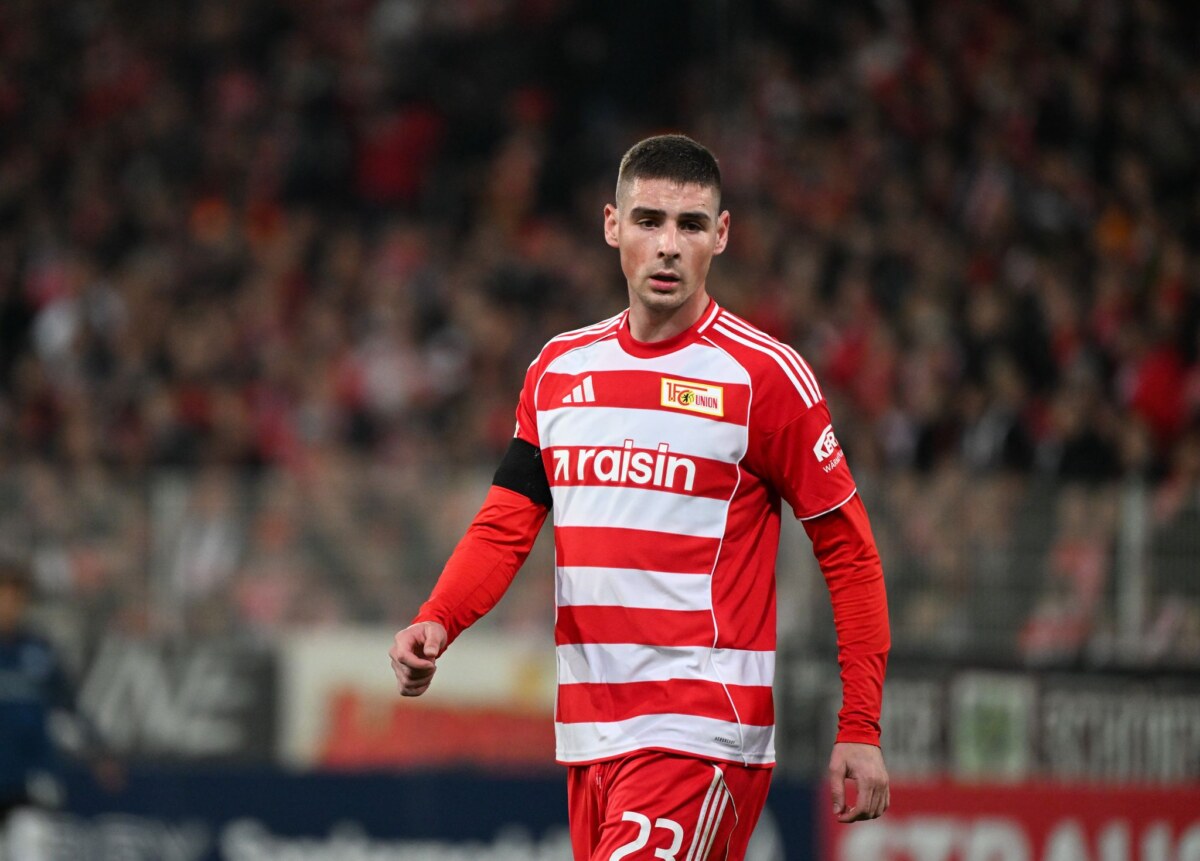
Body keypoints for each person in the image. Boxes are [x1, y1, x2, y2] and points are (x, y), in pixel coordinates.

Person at [390, 134, 890, 860]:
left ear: (720, 236)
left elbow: (849, 553)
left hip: (700, 729)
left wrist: (861, 726)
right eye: (649, 220)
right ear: (611, 225)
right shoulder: (559, 370)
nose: (668, 245)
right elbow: (505, 523)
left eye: (690, 226)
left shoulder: (765, 378)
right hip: (591, 736)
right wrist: (438, 617)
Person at [0, 560, 119, 839]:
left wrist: (99, 751)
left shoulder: (37, 651)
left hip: (28, 776)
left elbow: (69, 704)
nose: (7, 606)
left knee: (31, 845)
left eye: (14, 598)